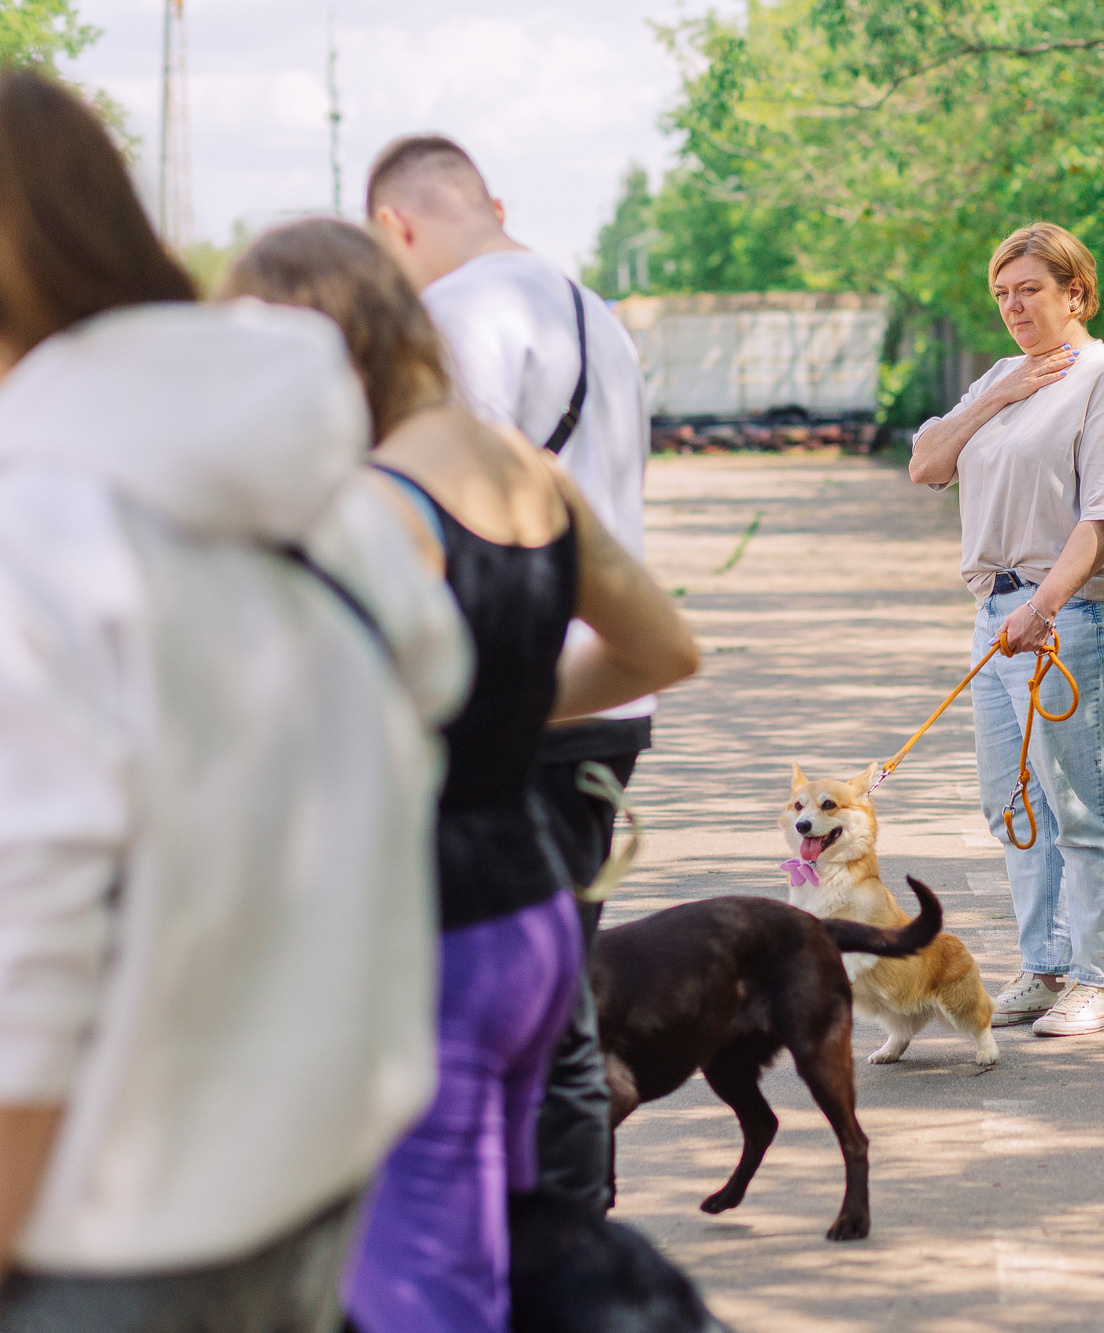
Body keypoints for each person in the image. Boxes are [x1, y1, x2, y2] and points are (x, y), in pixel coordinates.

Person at [0, 72, 467, 1330]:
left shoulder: (36, 544)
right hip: (305, 1180)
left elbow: (22, 993)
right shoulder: (320, 499)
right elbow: (434, 686)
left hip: (96, 1236)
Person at [222, 218, 699, 1332]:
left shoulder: (370, 507)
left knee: (419, 1284)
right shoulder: (524, 469)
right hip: (530, 916)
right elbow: (660, 651)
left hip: (420, 930)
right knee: (503, 1244)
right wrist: (495, 705)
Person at [364, 134, 653, 1213]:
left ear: (394, 226)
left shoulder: (457, 316)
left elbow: (458, 512)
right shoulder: (594, 314)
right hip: (609, 691)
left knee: (528, 1009)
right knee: (560, 982)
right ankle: (570, 1224)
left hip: (518, 700)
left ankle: (551, 1233)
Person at [908, 222, 1104, 1038]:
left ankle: (1099, 981)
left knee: (1079, 800)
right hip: (997, 612)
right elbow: (926, 464)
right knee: (1012, 799)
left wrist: (1043, 606)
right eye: (1002, 293)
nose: (1014, 306)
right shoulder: (1003, 376)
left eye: (1030, 290)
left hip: (1072, 613)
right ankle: (1044, 967)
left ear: (1075, 293)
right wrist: (998, 395)